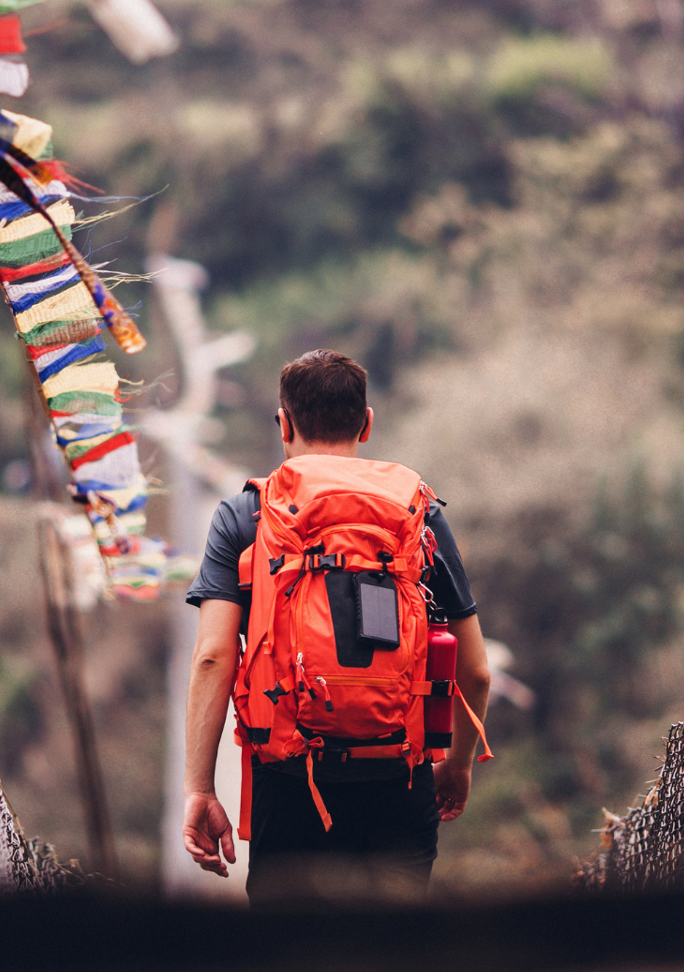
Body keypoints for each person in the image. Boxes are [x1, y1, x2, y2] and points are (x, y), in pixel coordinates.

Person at [181, 349, 491, 907]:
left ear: (284, 424)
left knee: (290, 969)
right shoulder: (419, 512)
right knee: (394, 963)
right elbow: (476, 671)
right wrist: (458, 765)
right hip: (400, 779)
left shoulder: (244, 516)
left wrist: (200, 788)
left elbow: (212, 657)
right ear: (367, 425)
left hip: (291, 784)